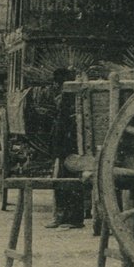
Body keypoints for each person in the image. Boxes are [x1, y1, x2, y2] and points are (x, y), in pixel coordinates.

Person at [45, 68, 85, 230]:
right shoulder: (72, 96)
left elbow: (63, 124)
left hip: (66, 147)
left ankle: (68, 218)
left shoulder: (67, 97)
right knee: (66, 182)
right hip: (67, 146)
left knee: (64, 182)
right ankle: (67, 217)